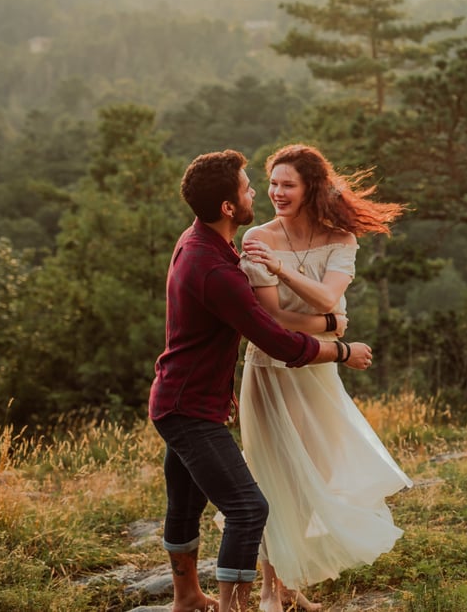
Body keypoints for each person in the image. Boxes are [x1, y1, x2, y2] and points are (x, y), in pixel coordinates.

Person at [149, 149, 374, 612]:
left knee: (185, 503)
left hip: (184, 398)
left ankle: (188, 598)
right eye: (251, 187)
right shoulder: (216, 266)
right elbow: (276, 338)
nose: (262, 193)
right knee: (249, 508)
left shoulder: (201, 245)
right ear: (229, 207)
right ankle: (236, 606)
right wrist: (340, 347)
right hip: (189, 407)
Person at [235, 144, 412, 612]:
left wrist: (293, 282)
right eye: (272, 183)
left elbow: (328, 294)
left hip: (317, 373)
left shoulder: (340, 239)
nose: (276, 192)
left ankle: (292, 582)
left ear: (310, 187)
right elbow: (270, 320)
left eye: (287, 184)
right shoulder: (258, 238)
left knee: (317, 473)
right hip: (271, 370)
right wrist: (331, 324)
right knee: (277, 477)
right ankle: (271, 592)